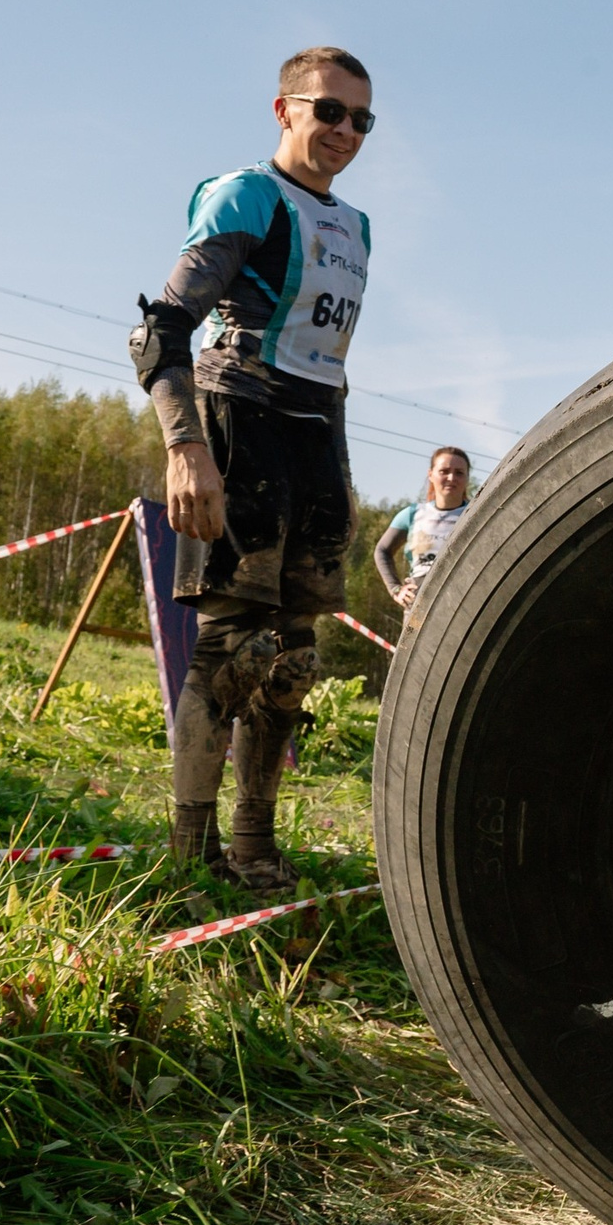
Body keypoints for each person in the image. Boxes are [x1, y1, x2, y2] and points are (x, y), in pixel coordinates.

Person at [131, 46, 377, 893]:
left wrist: (341, 477)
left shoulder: (357, 225)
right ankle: (188, 856)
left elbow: (330, 361)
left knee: (292, 660)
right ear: (284, 110)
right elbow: (162, 330)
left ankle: (254, 847)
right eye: (328, 110)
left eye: (361, 119)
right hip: (240, 420)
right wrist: (185, 446)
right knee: (232, 648)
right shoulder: (248, 195)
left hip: (316, 437)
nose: (345, 130)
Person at [376, 446, 472, 608]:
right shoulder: (412, 514)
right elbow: (382, 550)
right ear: (431, 474)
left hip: (464, 600)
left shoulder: (478, 514)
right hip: (419, 604)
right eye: (444, 471)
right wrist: (396, 589)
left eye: (459, 473)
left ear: (467, 477)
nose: (451, 478)